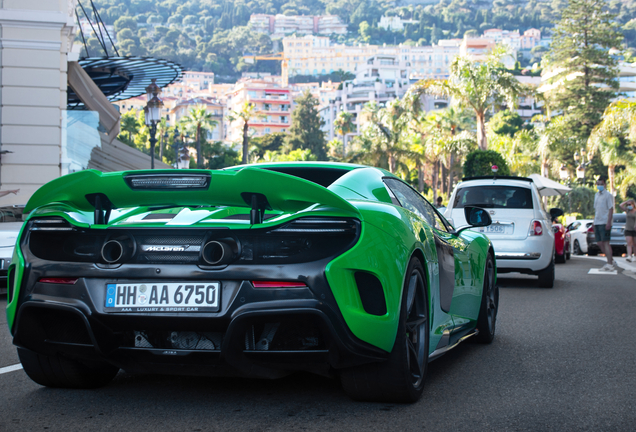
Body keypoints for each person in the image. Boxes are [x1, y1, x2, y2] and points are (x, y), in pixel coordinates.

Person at [594, 179, 615, 271]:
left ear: (605, 184)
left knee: (606, 242)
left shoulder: (608, 195)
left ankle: (609, 264)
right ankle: (610, 260)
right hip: (597, 222)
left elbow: (611, 209)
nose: (599, 186)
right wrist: (593, 222)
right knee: (599, 243)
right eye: (598, 184)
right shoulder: (596, 195)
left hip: (604, 222)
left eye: (601, 184)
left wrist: (609, 222)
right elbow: (596, 209)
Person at [619, 198, 636, 262]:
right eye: (628, 204)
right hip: (628, 229)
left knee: (635, 244)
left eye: (630, 204)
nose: (629, 205)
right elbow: (621, 206)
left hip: (634, 229)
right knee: (629, 243)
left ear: (633, 205)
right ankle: (629, 256)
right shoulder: (627, 210)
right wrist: (626, 202)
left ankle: (635, 255)